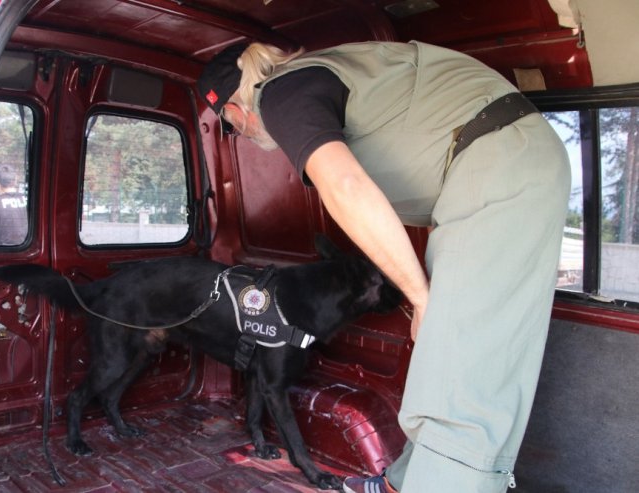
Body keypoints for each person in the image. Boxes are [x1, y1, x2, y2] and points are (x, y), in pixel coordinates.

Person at [197, 41, 570, 493]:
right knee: (445, 365)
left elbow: (347, 187)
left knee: (464, 390)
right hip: (483, 172)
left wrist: (420, 297)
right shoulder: (314, 77)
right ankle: (404, 483)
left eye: (230, 126)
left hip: (500, 167)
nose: (237, 134)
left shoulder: (279, 93)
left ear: (237, 103)